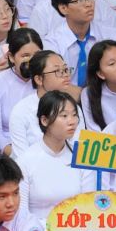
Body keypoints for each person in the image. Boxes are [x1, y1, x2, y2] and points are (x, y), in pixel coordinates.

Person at [17, 91, 96, 221]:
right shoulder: (25, 161)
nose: (72, 122)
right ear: (44, 120)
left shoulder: (82, 158)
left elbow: (88, 208)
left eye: (74, 115)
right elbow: (21, 215)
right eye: (64, 115)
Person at [43, 0, 116, 88]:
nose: (89, 4)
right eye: (80, 0)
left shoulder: (110, 34)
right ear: (63, 8)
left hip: (104, 94)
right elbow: (54, 85)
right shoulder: (52, 43)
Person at [0, 28, 43, 156]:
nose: (32, 61)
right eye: (25, 56)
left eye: (37, 54)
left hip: (41, 147)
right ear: (11, 57)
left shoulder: (47, 80)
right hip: (8, 148)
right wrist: (16, 155)